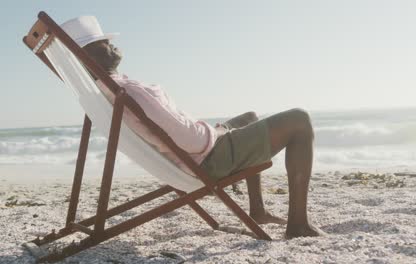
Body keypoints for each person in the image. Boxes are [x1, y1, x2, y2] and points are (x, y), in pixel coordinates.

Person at [61, 16, 326, 238]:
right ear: (88, 56)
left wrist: (216, 131)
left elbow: (175, 133)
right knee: (299, 120)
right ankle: (298, 225)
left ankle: (257, 210)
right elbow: (185, 137)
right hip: (207, 158)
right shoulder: (127, 92)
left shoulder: (109, 89)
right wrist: (219, 133)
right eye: (104, 43)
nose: (113, 45)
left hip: (194, 153)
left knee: (250, 117)